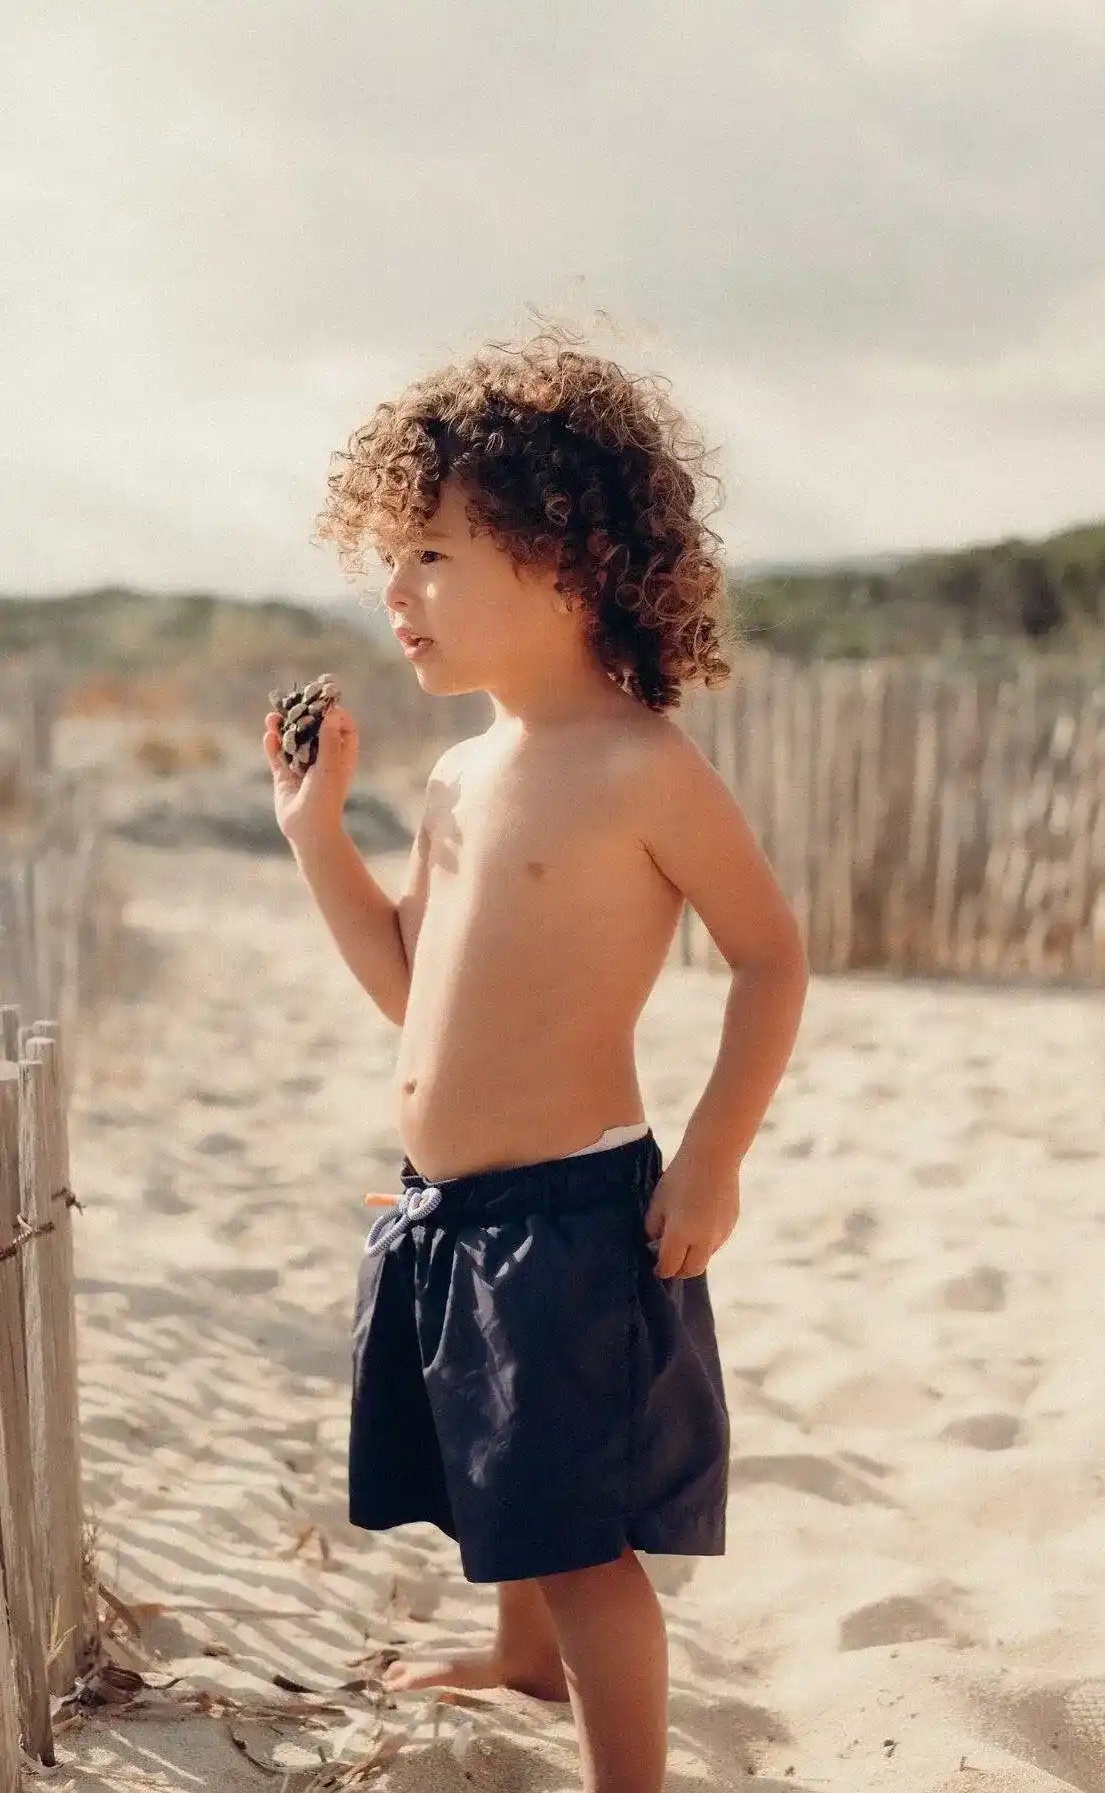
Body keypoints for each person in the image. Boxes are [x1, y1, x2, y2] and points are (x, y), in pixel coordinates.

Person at [264, 328, 808, 1793]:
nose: (396, 595)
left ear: (567, 566)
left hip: (575, 1215)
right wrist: (316, 839)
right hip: (449, 1211)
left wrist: (715, 1155)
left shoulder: (642, 765)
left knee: (580, 1534)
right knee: (503, 1478)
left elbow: (772, 956)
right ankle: (517, 1663)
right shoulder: (455, 774)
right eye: (389, 559)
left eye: (433, 555)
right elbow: (407, 983)